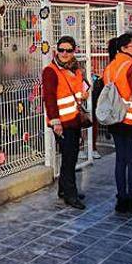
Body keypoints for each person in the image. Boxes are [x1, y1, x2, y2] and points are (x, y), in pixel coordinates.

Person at [102, 33, 132, 214]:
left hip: (115, 121)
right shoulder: (131, 67)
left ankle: (121, 199)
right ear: (123, 48)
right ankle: (131, 200)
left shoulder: (110, 67)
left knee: (120, 161)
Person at [42, 36, 89, 210]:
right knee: (69, 158)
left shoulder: (76, 68)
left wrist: (84, 94)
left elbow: (82, 87)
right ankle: (71, 194)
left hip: (74, 119)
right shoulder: (50, 71)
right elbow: (49, 98)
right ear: (56, 50)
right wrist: (56, 122)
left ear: (74, 51)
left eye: (68, 50)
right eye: (61, 50)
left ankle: (63, 188)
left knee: (72, 155)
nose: (64, 53)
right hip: (61, 122)